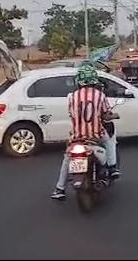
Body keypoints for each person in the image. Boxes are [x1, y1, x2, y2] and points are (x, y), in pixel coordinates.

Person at [51, 64, 119, 200]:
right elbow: (106, 115)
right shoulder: (100, 95)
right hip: (96, 134)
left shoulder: (72, 96)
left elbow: (72, 114)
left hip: (77, 136)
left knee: (67, 158)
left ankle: (59, 189)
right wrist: (114, 115)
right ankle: (112, 168)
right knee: (110, 142)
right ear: (94, 79)